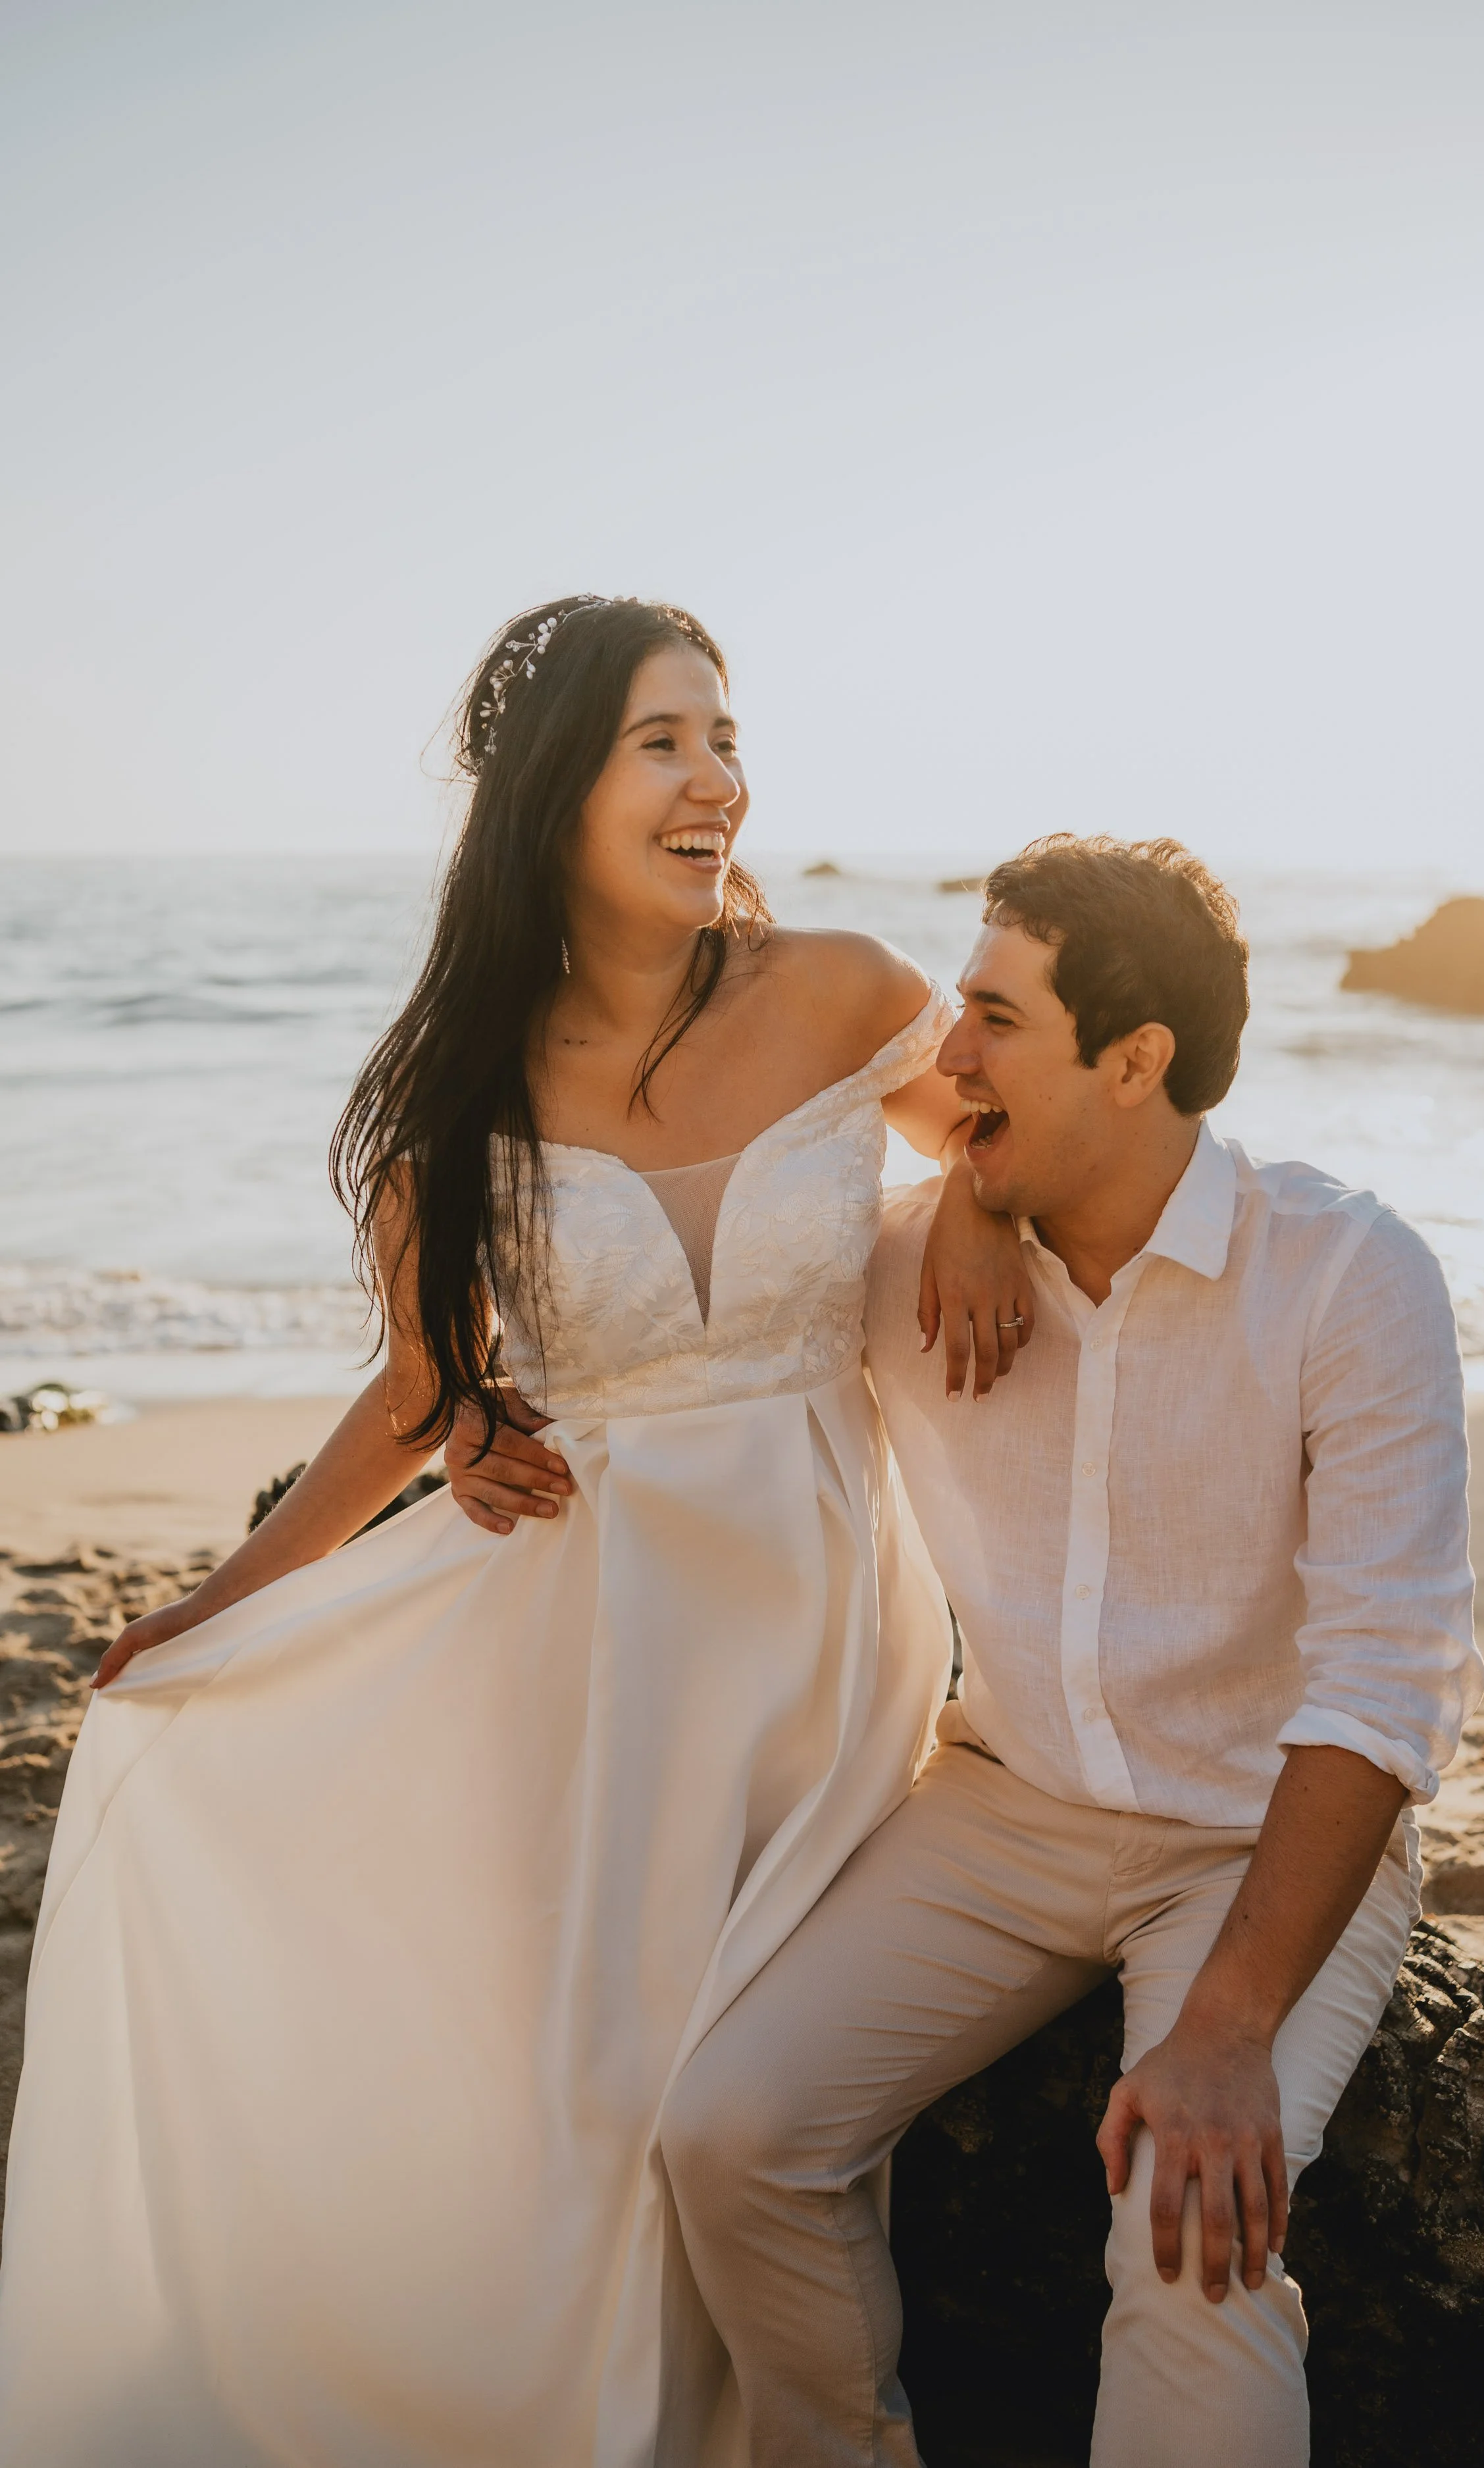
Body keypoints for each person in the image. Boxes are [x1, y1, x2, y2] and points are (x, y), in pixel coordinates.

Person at [0, 595, 1027, 2468]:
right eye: (662, 740)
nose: (715, 777)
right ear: (553, 790)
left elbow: (1003, 1113)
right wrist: (214, 1606)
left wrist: (967, 1198)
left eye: (725, 735)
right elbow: (413, 1394)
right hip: (602, 1645)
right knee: (609, 2093)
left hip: (834, 1626)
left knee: (765, 2092)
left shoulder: (847, 986)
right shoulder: (461, 1106)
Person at [453, 831, 1484, 2466]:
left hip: (1253, 1834)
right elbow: (650, 1376)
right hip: (997, 1808)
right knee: (729, 2137)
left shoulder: (1347, 1278)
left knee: (1186, 2238)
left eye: (994, 1020)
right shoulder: (883, 1273)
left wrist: (1223, 2028)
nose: (942, 1054)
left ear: (1132, 1061)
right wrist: (478, 1425)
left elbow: (1384, 1681)